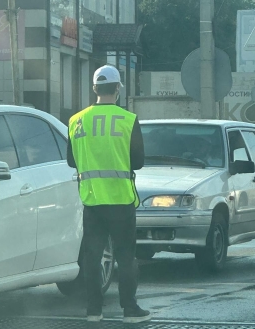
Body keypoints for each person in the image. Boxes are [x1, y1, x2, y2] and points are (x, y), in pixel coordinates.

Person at [67, 65, 151, 324]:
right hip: (121, 201)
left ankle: (94, 310)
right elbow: (138, 162)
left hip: (92, 200)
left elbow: (72, 161)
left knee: (92, 257)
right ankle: (129, 309)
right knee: (126, 257)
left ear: (94, 89)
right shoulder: (128, 120)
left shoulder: (76, 120)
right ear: (117, 89)